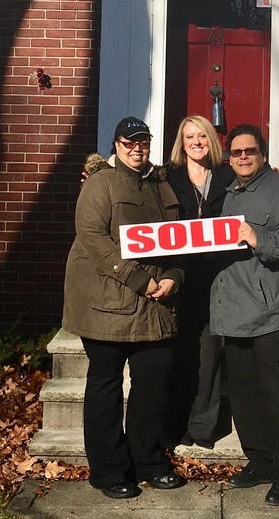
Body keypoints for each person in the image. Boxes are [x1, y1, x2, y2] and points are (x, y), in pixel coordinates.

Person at [61, 117, 187, 500]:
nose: (137, 148)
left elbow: (178, 239)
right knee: (106, 387)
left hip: (154, 305)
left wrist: (174, 277)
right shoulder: (99, 185)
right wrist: (137, 279)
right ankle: (108, 469)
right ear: (116, 145)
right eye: (129, 142)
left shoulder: (161, 184)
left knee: (152, 385)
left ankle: (147, 462)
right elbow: (94, 239)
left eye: (143, 141)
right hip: (107, 305)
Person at [210, 122, 279, 507]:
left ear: (263, 154)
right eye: (235, 153)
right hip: (235, 313)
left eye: (249, 152)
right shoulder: (227, 192)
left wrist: (258, 238)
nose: (241, 158)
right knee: (244, 396)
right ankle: (261, 462)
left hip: (276, 313)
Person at [163, 114, 236, 448]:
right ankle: (175, 424)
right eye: (189, 136)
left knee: (209, 354)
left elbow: (259, 180)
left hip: (216, 279)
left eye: (202, 137)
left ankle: (203, 427)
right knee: (178, 353)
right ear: (182, 142)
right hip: (178, 278)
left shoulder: (228, 175)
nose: (195, 142)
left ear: (211, 140)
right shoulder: (166, 176)